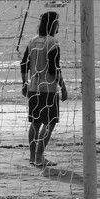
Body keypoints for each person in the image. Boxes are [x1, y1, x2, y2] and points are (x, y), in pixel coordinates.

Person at [20, 11, 68, 167]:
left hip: (33, 89)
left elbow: (24, 64)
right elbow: (54, 69)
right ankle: (39, 157)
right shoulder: (53, 43)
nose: (58, 25)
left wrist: (24, 83)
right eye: (57, 23)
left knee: (35, 123)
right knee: (49, 123)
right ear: (53, 25)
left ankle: (32, 157)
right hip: (48, 90)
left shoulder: (32, 41)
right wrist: (63, 86)